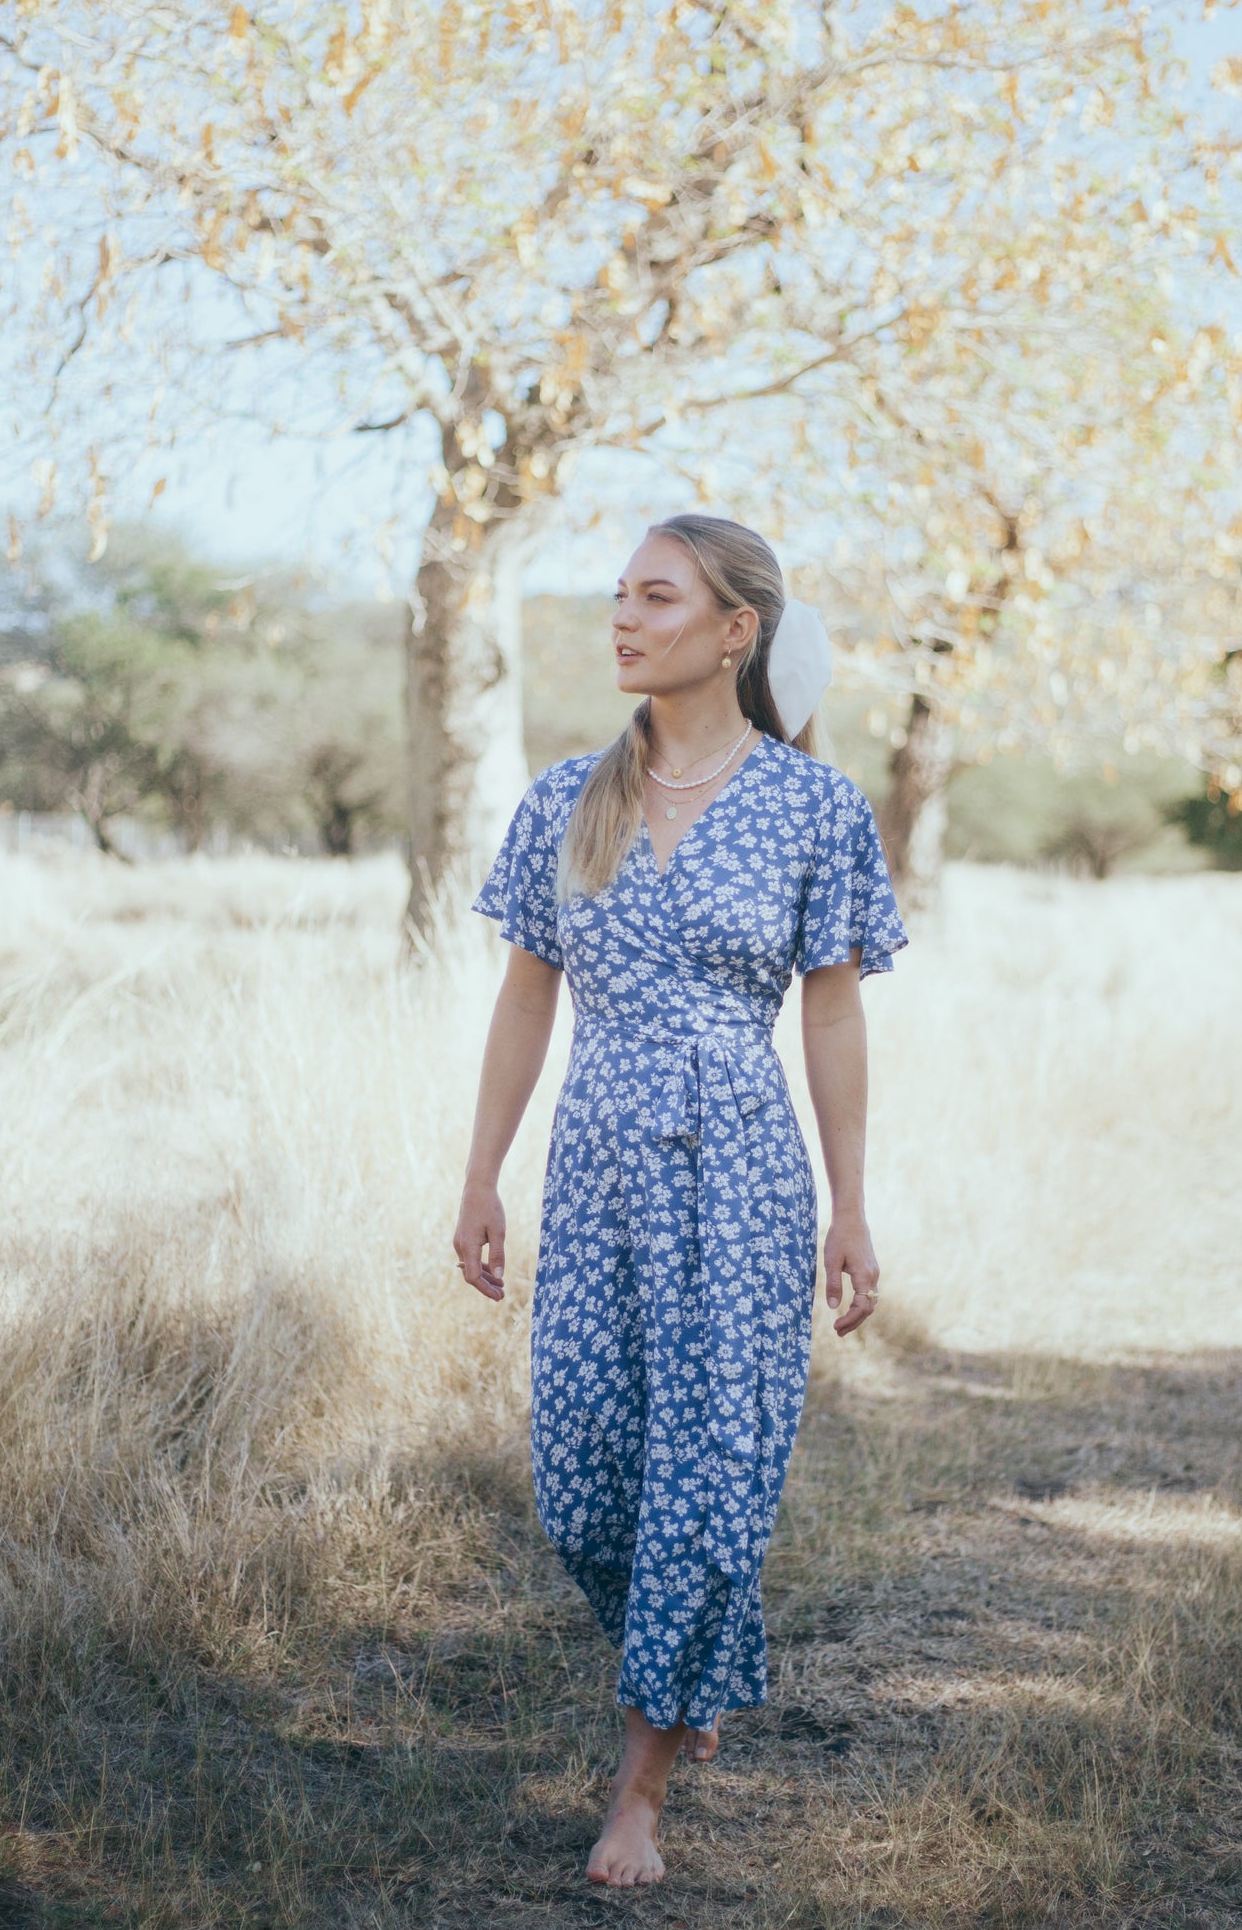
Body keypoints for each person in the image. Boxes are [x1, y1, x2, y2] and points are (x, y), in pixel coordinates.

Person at [452, 512, 908, 1888]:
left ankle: (637, 1793)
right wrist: (477, 1173)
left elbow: (830, 1020)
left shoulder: (814, 808)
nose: (623, 619)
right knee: (582, 1487)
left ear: (733, 630)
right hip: (590, 1168)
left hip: (744, 1175)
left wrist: (850, 1204)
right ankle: (696, 1650)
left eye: (657, 597)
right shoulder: (559, 800)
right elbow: (525, 997)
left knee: (708, 1478)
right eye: (617, 597)